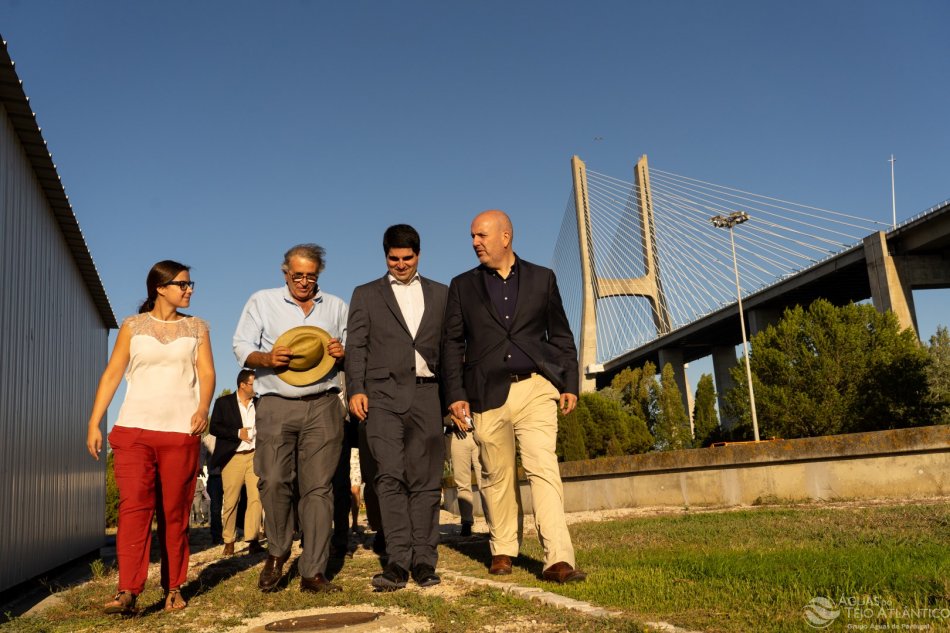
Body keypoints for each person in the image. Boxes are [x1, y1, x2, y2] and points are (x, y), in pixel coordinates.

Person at [441, 210, 587, 584]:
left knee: (543, 467)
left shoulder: (543, 278)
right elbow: (453, 344)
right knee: (496, 474)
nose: (475, 242)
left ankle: (558, 557)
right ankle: (503, 548)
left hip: (536, 387)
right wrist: (455, 394)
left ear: (505, 237)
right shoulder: (462, 286)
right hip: (486, 392)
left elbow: (561, 335)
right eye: (472, 236)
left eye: (481, 235)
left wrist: (570, 383)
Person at [86, 260, 215, 614]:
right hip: (134, 431)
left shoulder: (197, 327)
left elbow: (207, 373)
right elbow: (112, 374)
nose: (189, 290)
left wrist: (203, 407)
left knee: (174, 512)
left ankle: (173, 587)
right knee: (133, 508)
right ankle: (127, 590)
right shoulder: (133, 326)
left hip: (180, 432)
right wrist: (95, 422)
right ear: (160, 287)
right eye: (183, 284)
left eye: (190, 284)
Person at [233, 244, 348, 594]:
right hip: (276, 404)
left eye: (310, 276)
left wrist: (342, 353)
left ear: (319, 274)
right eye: (297, 275)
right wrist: (266, 359)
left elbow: (353, 349)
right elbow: (241, 346)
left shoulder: (337, 306)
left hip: (324, 405)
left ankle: (313, 570)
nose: (303, 282)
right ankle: (279, 550)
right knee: (272, 479)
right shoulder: (262, 301)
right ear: (285, 272)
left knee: (319, 488)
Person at [346, 224, 448, 591]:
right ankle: (397, 562)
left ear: (418, 255)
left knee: (426, 482)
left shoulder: (442, 294)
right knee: (389, 477)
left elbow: (452, 349)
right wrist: (355, 389)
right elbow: (356, 346)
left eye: (407, 258)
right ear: (385, 256)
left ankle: (424, 561)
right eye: (394, 259)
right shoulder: (365, 294)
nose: (401, 264)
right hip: (382, 397)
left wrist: (455, 398)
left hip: (429, 396)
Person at [209, 369, 264, 556]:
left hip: (255, 456)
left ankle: (253, 540)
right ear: (242, 385)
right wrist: (237, 433)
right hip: (232, 457)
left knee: (256, 498)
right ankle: (229, 540)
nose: (256, 387)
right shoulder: (223, 403)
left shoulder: (260, 403)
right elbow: (214, 427)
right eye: (253, 384)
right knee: (232, 501)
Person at [444, 424, 487, 536]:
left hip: (480, 431)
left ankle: (492, 521)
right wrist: (452, 418)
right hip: (457, 434)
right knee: (462, 483)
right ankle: (466, 522)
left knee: (485, 482)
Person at [200, 433, 224, 545]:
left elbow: (201, 456)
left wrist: (200, 467)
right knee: (216, 508)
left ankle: (220, 535)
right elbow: (201, 455)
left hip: (224, 476)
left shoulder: (227, 435)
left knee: (217, 507)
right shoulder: (207, 439)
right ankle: (217, 535)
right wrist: (200, 467)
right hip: (215, 476)